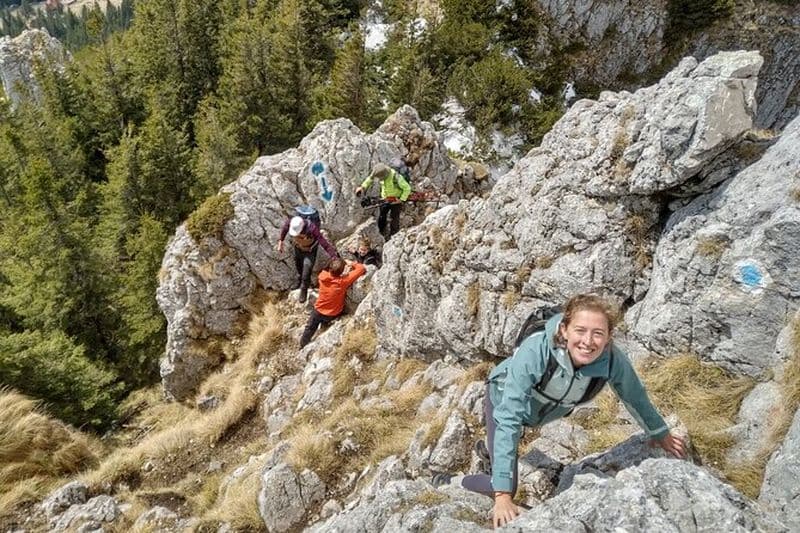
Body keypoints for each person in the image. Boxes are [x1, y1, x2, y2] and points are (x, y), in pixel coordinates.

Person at [432, 294, 687, 528]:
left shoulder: (611, 360)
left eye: (598, 333)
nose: (588, 341)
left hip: (541, 412)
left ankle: (492, 452)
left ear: (609, 337)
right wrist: (502, 497)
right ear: (564, 330)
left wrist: (659, 432)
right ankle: (450, 481)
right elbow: (509, 417)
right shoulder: (536, 351)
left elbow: (634, 395)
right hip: (503, 401)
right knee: (505, 484)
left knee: (504, 457)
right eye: (580, 330)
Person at [299, 258, 366, 347]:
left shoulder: (322, 277)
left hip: (318, 311)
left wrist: (341, 271)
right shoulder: (343, 281)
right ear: (342, 272)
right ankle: (325, 324)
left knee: (310, 327)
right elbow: (361, 268)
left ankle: (302, 344)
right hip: (333, 314)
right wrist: (351, 263)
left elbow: (328, 272)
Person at [277, 215, 338, 303]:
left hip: (310, 251)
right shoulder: (291, 222)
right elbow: (285, 228)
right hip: (298, 248)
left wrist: (334, 257)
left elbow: (325, 244)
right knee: (299, 267)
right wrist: (281, 241)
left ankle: (304, 289)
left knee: (307, 269)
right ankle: (300, 280)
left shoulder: (312, 229)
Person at [355, 163, 411, 240]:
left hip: (396, 200)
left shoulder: (396, 177)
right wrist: (362, 187)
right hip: (385, 199)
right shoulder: (379, 172)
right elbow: (370, 178)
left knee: (394, 218)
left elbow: (407, 188)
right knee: (382, 215)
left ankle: (393, 236)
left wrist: (401, 200)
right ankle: (381, 231)